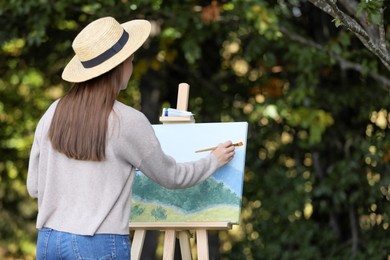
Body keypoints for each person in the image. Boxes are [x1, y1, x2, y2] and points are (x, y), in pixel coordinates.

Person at [27, 16, 235, 259]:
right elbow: (172, 176)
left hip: (48, 241)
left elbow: (34, 187)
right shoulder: (126, 121)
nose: (132, 66)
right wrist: (214, 160)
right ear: (120, 65)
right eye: (131, 60)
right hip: (96, 243)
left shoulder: (53, 112)